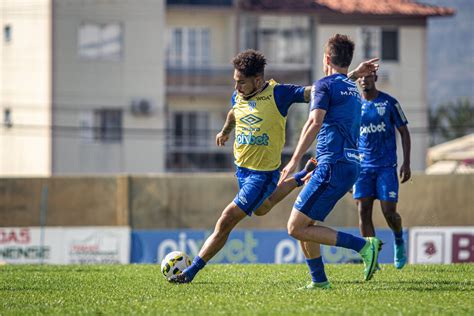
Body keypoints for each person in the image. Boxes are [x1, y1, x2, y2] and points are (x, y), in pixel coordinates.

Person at [171, 48, 378, 284]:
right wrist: (225, 131)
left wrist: (351, 74)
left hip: (261, 175)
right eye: (235, 82)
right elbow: (233, 112)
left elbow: (319, 90)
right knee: (262, 208)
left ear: (258, 80)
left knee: (227, 219)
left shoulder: (279, 93)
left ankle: (191, 272)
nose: (237, 87)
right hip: (242, 171)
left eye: (241, 83)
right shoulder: (238, 95)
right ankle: (301, 177)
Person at [280, 34, 381, 290]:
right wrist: (356, 73)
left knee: (295, 227)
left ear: (326, 58)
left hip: (332, 163)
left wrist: (293, 160)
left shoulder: (325, 84)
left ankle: (364, 246)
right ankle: (319, 281)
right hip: (348, 164)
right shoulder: (353, 90)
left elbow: (314, 122)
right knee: (307, 223)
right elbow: (340, 86)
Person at [353, 71, 411, 269]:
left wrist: (406, 163)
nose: (364, 80)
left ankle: (398, 239)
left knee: (389, 212)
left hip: (386, 167)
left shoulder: (389, 103)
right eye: (360, 77)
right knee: (363, 211)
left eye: (368, 76)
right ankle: (372, 259)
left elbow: (404, 131)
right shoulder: (354, 105)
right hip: (362, 168)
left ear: (375, 79)